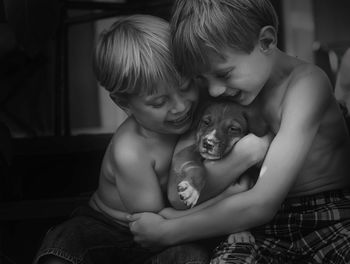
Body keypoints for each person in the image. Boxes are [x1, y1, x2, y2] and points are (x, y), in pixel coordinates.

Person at [124, 1, 350, 263]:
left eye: (224, 74)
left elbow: (263, 203)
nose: (214, 91)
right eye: (203, 79)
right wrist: (244, 155)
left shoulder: (306, 85)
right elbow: (179, 193)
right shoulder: (230, 95)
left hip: (328, 217)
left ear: (266, 41)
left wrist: (168, 230)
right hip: (250, 228)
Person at [33, 14, 268, 264]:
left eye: (186, 86)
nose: (180, 106)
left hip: (175, 233)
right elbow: (154, 223)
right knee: (66, 243)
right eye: (159, 102)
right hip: (117, 227)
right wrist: (227, 202)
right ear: (124, 103)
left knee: (193, 256)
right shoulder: (132, 151)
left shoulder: (205, 108)